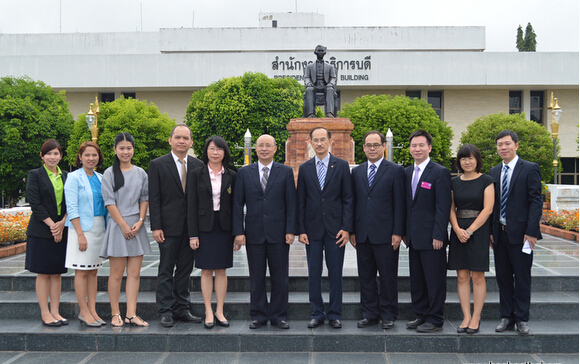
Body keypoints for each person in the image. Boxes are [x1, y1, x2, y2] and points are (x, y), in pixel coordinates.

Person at [232, 134, 296, 330]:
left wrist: (291, 230)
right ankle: (258, 315)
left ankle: (279, 315)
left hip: (279, 233)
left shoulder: (285, 172)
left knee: (280, 276)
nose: (264, 149)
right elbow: (237, 204)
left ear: (276, 148)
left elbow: (291, 203)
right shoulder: (244, 172)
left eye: (268, 145)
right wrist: (238, 232)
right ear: (256, 149)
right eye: (261, 146)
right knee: (256, 276)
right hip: (253, 233)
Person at [297, 126, 353, 329]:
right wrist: (301, 229)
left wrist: (347, 228)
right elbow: (300, 201)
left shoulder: (341, 166)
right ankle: (316, 313)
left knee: (335, 272)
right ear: (310, 143)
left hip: (336, 230)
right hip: (311, 230)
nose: (319, 143)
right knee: (314, 272)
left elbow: (348, 199)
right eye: (315, 140)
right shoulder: (304, 168)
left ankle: (335, 313)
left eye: (323, 139)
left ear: (331, 142)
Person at [148, 124, 203, 327]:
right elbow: (154, 198)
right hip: (167, 228)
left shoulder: (198, 165)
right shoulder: (157, 164)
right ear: (170, 140)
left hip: (191, 229)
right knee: (165, 269)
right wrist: (156, 226)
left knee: (185, 270)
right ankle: (165, 310)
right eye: (178, 137)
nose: (182, 141)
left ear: (191, 142)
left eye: (186, 138)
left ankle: (182, 308)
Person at [350, 131, 405, 330]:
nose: (372, 148)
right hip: (362, 234)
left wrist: (398, 231)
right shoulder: (356, 172)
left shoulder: (395, 170)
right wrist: (352, 231)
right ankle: (370, 313)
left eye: (376, 144)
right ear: (363, 148)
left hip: (387, 234)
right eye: (368, 145)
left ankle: (388, 314)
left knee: (388, 276)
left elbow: (400, 203)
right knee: (366, 277)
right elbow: (354, 203)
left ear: (384, 146)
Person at [490, 130, 542, 335]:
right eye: (500, 144)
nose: (503, 147)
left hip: (522, 236)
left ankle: (521, 318)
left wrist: (531, 232)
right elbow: (492, 205)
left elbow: (536, 201)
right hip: (500, 234)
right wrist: (491, 231)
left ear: (516, 146)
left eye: (507, 144)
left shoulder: (529, 169)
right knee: (502, 277)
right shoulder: (494, 172)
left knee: (522, 276)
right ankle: (506, 317)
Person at [99, 133, 151, 327]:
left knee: (135, 274)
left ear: (133, 150)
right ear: (115, 150)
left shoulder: (141, 173)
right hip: (117, 226)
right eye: (121, 148)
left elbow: (144, 198)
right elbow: (109, 202)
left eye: (129, 148)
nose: (125, 151)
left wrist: (140, 220)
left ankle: (131, 313)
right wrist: (123, 225)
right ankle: (115, 313)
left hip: (136, 226)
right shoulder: (109, 174)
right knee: (116, 274)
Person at [404, 130, 451, 333]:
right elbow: (407, 206)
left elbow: (443, 206)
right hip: (413, 238)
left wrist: (439, 234)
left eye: (421, 145)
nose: (417, 149)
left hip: (433, 238)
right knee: (417, 280)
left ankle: (435, 318)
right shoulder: (406, 172)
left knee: (434, 280)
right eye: (414, 145)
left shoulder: (439, 172)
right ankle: (421, 314)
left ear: (429, 148)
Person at [188, 136, 236, 329]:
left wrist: (237, 233)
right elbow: (191, 205)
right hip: (203, 227)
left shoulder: (232, 175)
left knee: (222, 270)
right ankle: (208, 310)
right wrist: (193, 234)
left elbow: (236, 205)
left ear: (224, 152)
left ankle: (220, 310)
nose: (215, 153)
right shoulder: (195, 174)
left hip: (224, 228)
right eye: (211, 149)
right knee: (206, 270)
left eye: (219, 149)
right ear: (206, 151)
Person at [448, 144, 494, 334]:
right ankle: (466, 316)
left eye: (470, 158)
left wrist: (470, 230)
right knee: (461, 276)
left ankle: (476, 316)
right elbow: (451, 208)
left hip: (479, 231)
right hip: (458, 230)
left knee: (477, 275)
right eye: (463, 158)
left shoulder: (487, 180)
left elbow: (488, 209)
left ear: (477, 160)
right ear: (459, 161)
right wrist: (458, 229)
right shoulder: (454, 182)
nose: (467, 161)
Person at [25, 139, 69, 327]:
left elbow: (72, 202)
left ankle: (55, 311)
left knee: (56, 273)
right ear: (42, 156)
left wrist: (62, 223)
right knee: (43, 273)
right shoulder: (35, 175)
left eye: (56, 153)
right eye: (48, 153)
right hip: (42, 231)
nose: (53, 157)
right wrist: (53, 226)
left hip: (62, 228)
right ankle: (45, 313)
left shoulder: (67, 176)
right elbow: (35, 203)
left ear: (61, 155)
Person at [64, 141, 107, 327]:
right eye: (87, 155)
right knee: (81, 271)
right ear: (80, 157)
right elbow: (71, 207)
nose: (91, 158)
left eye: (94, 155)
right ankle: (83, 311)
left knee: (93, 271)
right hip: (80, 229)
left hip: (99, 228)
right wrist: (80, 234)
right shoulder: (74, 178)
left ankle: (93, 310)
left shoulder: (101, 177)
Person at [303, 45, 337, 118]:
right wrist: (309, 83)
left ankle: (329, 113)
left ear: (324, 53)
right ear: (315, 52)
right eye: (319, 51)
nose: (320, 53)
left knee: (330, 89)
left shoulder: (330, 67)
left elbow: (333, 78)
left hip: (325, 86)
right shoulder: (309, 67)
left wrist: (330, 84)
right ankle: (311, 114)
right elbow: (307, 77)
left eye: (322, 51)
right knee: (309, 89)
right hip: (314, 86)